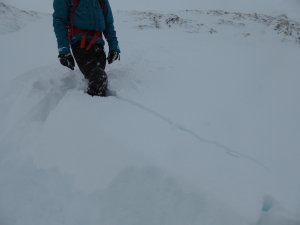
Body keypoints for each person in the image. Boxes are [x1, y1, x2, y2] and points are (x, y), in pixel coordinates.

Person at [53, 0, 120, 96]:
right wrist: (64, 50)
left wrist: (114, 47)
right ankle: (89, 107)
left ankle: (96, 103)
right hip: (80, 44)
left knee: (97, 76)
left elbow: (108, 23)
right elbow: (59, 20)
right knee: (98, 78)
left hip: (99, 45)